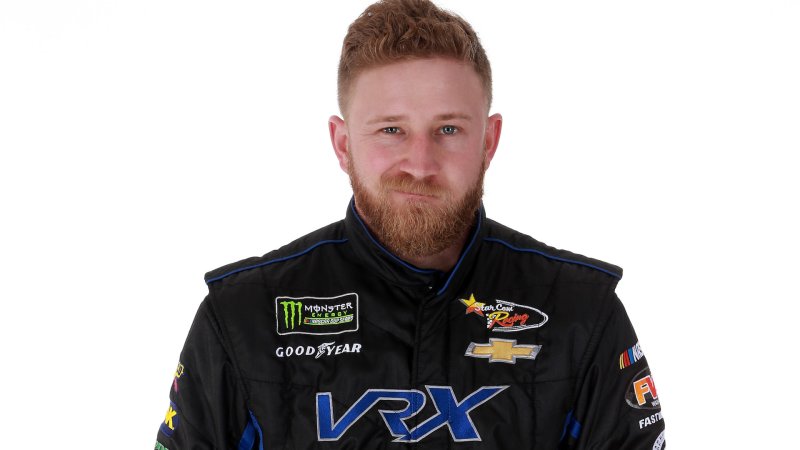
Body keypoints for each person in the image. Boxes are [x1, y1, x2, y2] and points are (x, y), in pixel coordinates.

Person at [155, 0, 665, 448]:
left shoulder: (581, 313)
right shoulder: (242, 317)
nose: (419, 164)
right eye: (391, 130)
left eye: (449, 129)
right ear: (342, 144)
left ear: (488, 142)